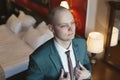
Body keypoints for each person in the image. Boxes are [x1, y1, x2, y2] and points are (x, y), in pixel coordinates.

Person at [26, 6, 91, 80]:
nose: (71, 29)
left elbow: (86, 66)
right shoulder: (38, 59)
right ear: (51, 28)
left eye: (72, 23)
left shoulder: (82, 44)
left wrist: (88, 75)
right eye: (63, 25)